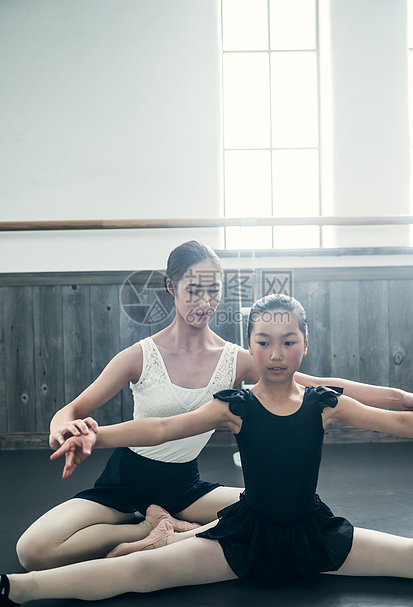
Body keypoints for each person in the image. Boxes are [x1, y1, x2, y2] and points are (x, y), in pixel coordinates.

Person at [16, 241, 413, 571]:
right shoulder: (139, 356)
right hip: (125, 483)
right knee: (33, 551)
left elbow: (324, 386)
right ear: (171, 287)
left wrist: (403, 400)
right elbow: (69, 411)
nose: (204, 302)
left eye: (213, 291)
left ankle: (170, 527)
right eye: (193, 290)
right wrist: (63, 430)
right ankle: (150, 529)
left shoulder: (237, 358)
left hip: (186, 487)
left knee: (279, 515)